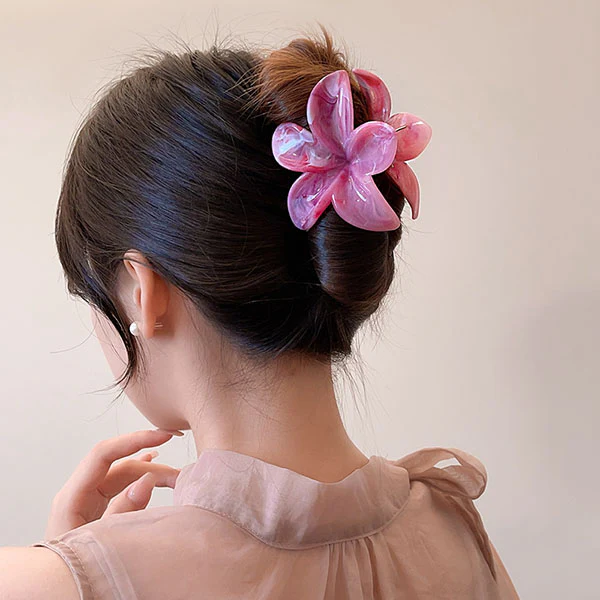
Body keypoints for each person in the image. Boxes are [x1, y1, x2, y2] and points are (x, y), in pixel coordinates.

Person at [0, 24, 520, 599]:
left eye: (94, 299)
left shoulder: (36, 584)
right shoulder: (458, 533)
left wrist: (67, 572)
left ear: (144, 291)